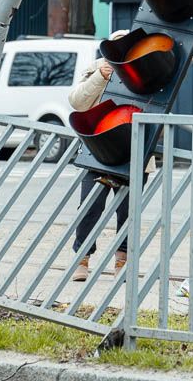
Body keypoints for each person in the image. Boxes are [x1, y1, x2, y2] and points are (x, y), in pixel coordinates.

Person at [68, 30, 130, 283]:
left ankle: (123, 259)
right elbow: (77, 102)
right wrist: (100, 77)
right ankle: (82, 257)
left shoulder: (145, 74)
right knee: (90, 207)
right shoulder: (96, 68)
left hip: (131, 150)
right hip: (99, 149)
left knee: (128, 211)